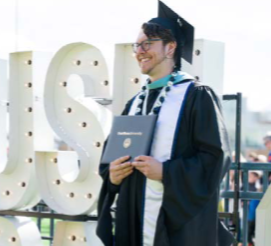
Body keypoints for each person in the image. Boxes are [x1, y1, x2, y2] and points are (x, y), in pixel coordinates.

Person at [96, 2, 234, 246]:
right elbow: (111, 158)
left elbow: (215, 158)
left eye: (147, 43)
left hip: (176, 226)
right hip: (133, 218)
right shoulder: (136, 102)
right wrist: (113, 176)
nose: (140, 50)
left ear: (170, 48)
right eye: (137, 45)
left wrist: (166, 172)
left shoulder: (196, 96)